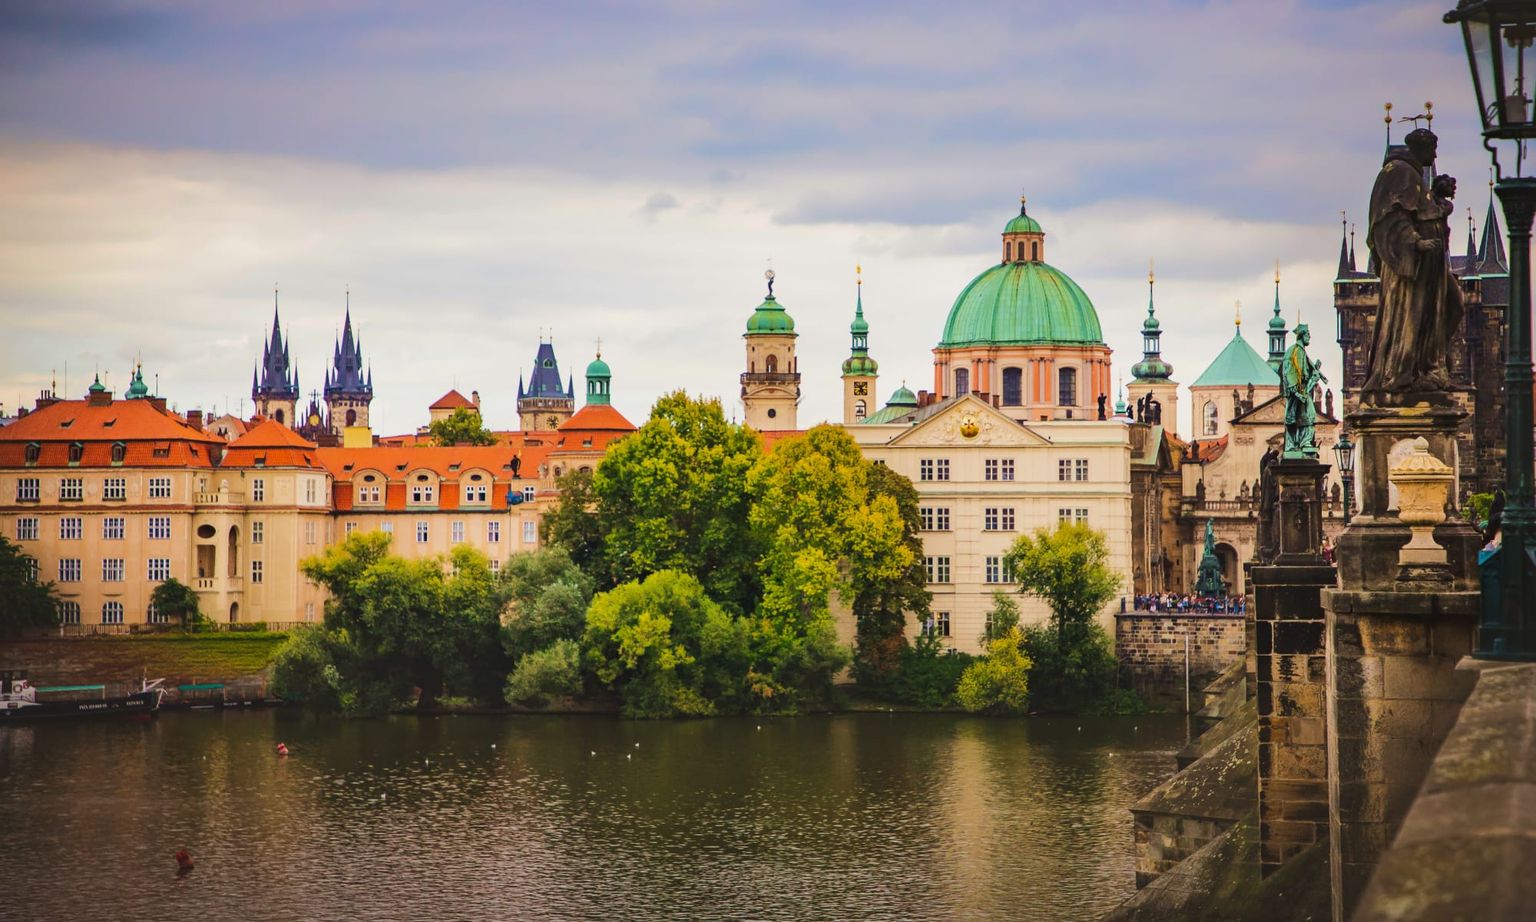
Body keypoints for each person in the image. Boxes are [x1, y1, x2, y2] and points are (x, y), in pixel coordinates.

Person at [1362, 127, 1463, 401]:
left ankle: (1429, 367)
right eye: (1433, 148)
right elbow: (1391, 217)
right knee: (1412, 319)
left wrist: (1437, 197)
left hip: (1432, 265)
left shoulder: (1413, 174)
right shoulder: (1399, 172)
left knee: (1454, 305)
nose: (1436, 153)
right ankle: (1403, 375)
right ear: (1420, 147)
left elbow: (1420, 210)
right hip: (1413, 268)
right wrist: (1415, 242)